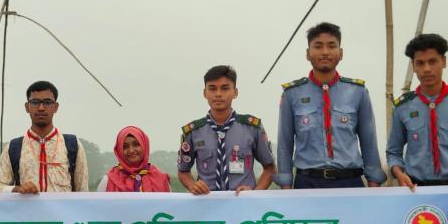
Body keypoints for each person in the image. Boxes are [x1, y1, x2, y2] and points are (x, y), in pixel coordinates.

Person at [276, 22, 386, 189]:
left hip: (350, 182)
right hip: (307, 183)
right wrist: (285, 184)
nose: (325, 52)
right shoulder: (292, 94)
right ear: (308, 53)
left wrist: (374, 182)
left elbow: (368, 141)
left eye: (331, 46)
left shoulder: (358, 92)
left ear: (341, 53)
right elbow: (285, 143)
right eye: (318, 46)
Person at [386, 33, 448, 191]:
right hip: (415, 190)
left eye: (432, 61)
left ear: (444, 61)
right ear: (413, 66)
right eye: (420, 63)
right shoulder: (403, 107)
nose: (426, 69)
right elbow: (393, 151)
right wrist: (398, 172)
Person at [177, 65, 275, 195]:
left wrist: (254, 193)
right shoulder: (193, 132)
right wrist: (193, 185)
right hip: (207, 202)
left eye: (225, 88)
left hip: (242, 203)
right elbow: (183, 171)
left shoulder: (252, 128)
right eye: (212, 88)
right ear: (205, 93)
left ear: (235, 92)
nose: (218, 94)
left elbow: (270, 168)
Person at [0, 80, 89, 193]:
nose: (41, 108)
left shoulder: (72, 145)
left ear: (56, 107)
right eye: (35, 102)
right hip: (26, 206)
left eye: (47, 102)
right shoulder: (14, 147)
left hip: (62, 206)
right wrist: (16, 189)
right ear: (27, 107)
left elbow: (83, 191)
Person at [97, 126, 171, 192]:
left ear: (144, 145)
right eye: (125, 147)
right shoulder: (108, 181)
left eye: (136, 144)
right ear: (119, 150)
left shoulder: (161, 180)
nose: (131, 150)